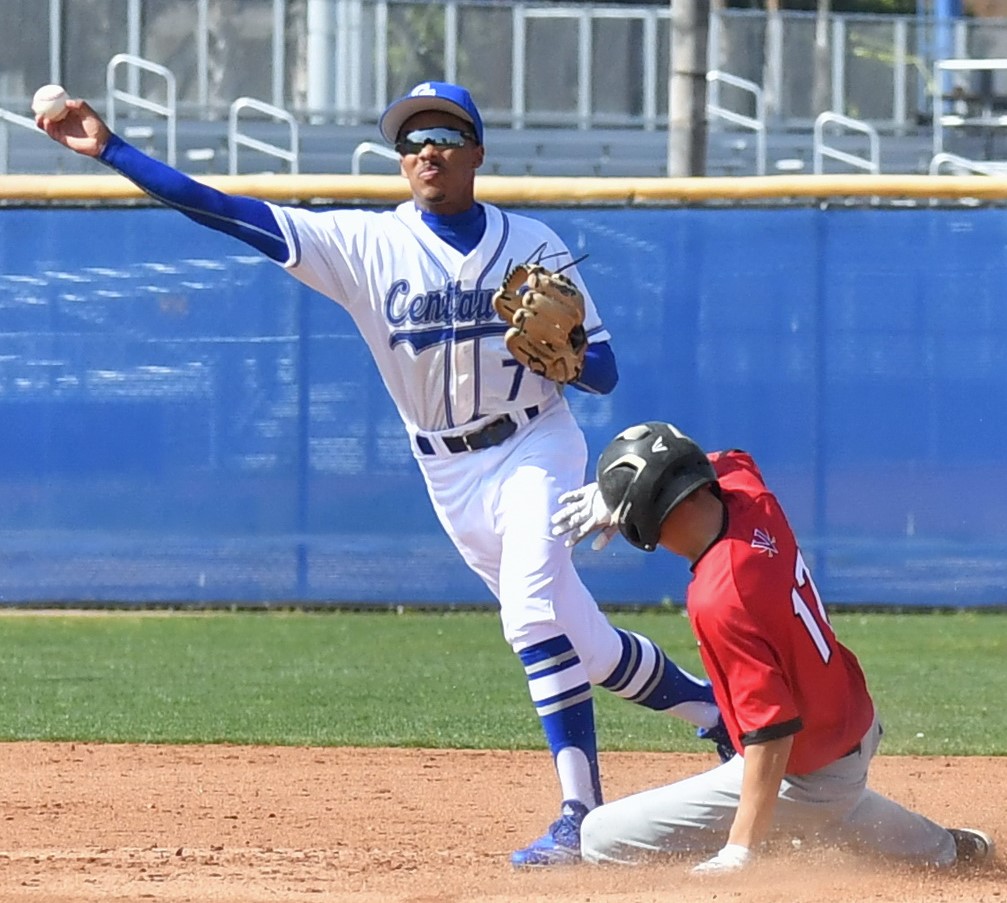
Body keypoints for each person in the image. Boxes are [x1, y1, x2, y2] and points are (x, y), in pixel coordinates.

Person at [37, 81, 731, 867]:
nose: (424, 150)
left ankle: (580, 812)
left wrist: (571, 354)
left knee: (531, 615)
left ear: (475, 150)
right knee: (589, 645)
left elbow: (603, 375)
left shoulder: (530, 242)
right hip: (449, 477)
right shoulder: (363, 246)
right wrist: (113, 150)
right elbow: (224, 209)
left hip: (537, 446)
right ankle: (715, 717)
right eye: (408, 139)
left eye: (441, 133)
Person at [551, 420, 994, 872]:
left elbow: (772, 734)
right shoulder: (749, 497)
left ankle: (795, 826)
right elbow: (727, 459)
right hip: (852, 721)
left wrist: (740, 850)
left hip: (807, 767)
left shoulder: (721, 596)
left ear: (644, 518)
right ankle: (944, 850)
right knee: (831, 806)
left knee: (601, 837)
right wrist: (633, 486)